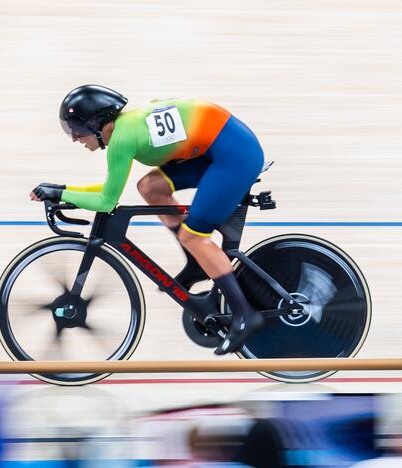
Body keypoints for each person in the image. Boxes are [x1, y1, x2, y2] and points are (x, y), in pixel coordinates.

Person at [30, 84, 265, 354]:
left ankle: (246, 314)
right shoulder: (124, 128)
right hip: (216, 147)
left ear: (97, 123)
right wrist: (63, 190)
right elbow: (108, 190)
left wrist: (61, 192)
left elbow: (107, 201)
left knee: (194, 236)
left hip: (234, 156)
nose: (75, 138)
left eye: (77, 130)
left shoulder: (123, 138)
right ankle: (197, 262)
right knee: (151, 187)